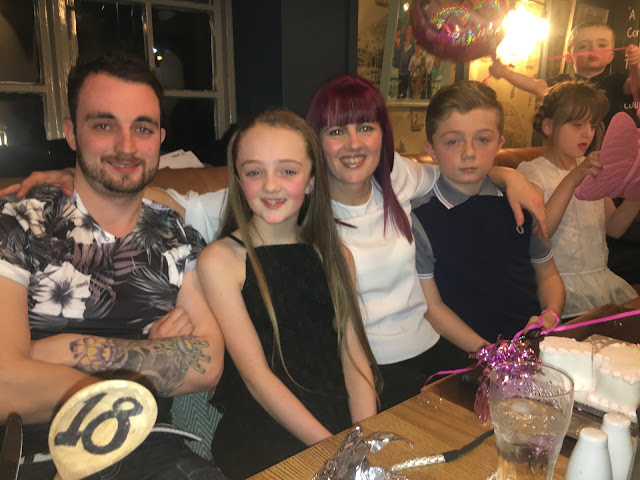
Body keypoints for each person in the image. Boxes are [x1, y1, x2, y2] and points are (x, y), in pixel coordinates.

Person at [0, 75, 547, 411]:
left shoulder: (400, 179)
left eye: (366, 127)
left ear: (385, 136)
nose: (353, 144)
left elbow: (462, 168)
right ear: (314, 145)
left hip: (421, 356)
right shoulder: (269, 199)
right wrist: (76, 178)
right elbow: (168, 199)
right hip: (362, 372)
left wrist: (510, 175)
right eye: (335, 131)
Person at [0, 53, 226, 480]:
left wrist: (59, 351)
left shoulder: (177, 235)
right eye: (104, 125)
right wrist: (135, 376)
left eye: (142, 128)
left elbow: (208, 364)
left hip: (153, 450)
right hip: (36, 456)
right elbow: (4, 384)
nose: (126, 146)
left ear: (160, 137)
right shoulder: (19, 223)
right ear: (72, 133)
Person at [195, 109, 379, 479]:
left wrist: (363, 439)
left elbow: (354, 358)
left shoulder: (336, 256)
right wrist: (334, 452)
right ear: (239, 181)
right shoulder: (221, 260)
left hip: (339, 425)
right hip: (263, 433)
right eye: (254, 172)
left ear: (311, 181)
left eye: (288, 171)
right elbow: (257, 379)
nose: (271, 185)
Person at [410, 81, 565, 359]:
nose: (469, 152)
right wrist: (492, 355)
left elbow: (548, 274)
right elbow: (432, 308)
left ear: (499, 144)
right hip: (466, 357)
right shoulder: (419, 217)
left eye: (482, 140)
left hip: (531, 346)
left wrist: (550, 315)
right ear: (431, 149)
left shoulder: (522, 200)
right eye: (453, 141)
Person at [517, 80, 640, 319]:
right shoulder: (532, 171)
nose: (587, 133)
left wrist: (636, 193)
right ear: (549, 126)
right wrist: (574, 178)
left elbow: (614, 227)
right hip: (559, 287)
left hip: (601, 283)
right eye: (577, 125)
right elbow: (542, 230)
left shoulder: (590, 167)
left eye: (592, 125)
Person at [489, 22, 640, 128]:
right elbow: (536, 86)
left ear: (611, 55)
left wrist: (637, 65)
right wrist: (505, 73)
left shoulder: (616, 81)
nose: (593, 50)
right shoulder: (564, 83)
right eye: (583, 46)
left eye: (601, 45)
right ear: (569, 58)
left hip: (608, 154)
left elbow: (636, 84)